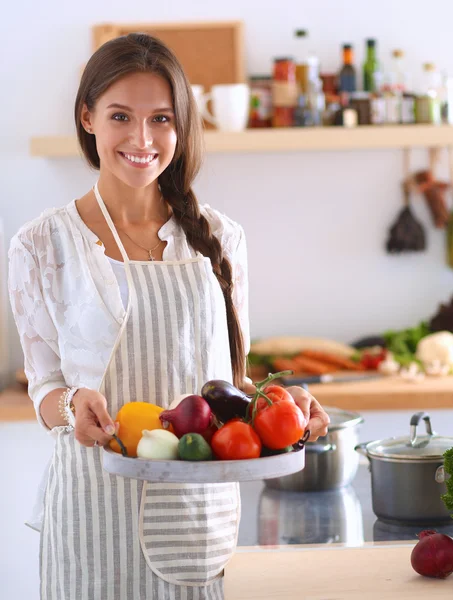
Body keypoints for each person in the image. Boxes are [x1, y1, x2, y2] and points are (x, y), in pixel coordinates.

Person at [8, 33, 330, 600]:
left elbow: (231, 382)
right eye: (120, 116)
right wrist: (69, 406)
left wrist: (281, 405)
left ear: (182, 126)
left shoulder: (222, 239)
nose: (141, 138)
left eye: (160, 118)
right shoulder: (40, 245)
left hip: (197, 515)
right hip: (91, 511)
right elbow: (46, 387)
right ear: (87, 118)